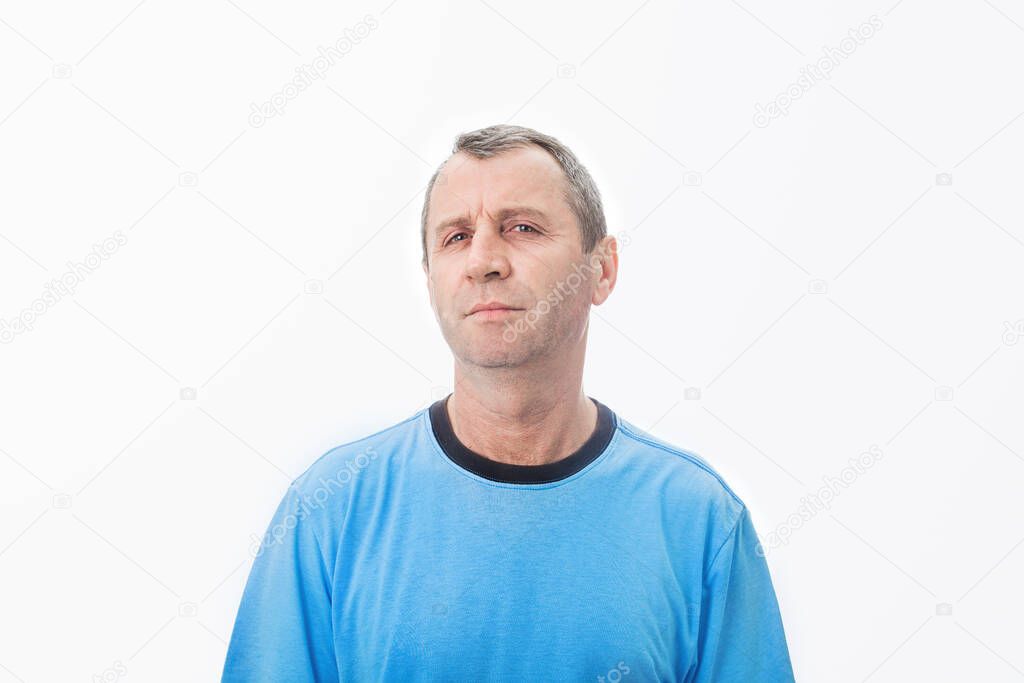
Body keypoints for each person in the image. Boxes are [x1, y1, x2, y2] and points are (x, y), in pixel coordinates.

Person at [222, 124, 795, 681]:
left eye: (521, 227)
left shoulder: (699, 522)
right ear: (430, 280)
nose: (484, 261)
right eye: (456, 237)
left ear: (602, 268)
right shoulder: (332, 511)